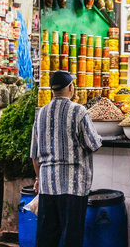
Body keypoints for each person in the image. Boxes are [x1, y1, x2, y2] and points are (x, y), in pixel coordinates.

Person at [31, 71, 102, 247]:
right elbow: (93, 144)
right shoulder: (79, 111)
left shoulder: (41, 114)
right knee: (72, 237)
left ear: (52, 90)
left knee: (46, 238)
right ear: (71, 87)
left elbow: (34, 154)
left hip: (48, 185)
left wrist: (39, 179)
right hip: (74, 186)